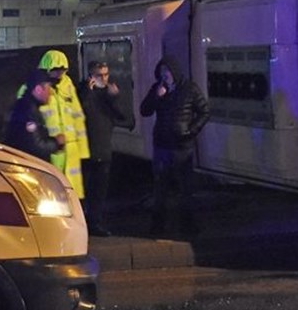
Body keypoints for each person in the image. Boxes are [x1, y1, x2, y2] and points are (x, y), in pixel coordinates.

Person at [140, 55, 210, 238]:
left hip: (182, 146)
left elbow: (205, 111)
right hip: (162, 144)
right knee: (160, 188)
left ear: (174, 72)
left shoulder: (189, 89)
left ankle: (188, 226)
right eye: (162, 72)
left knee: (185, 189)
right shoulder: (158, 89)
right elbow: (145, 110)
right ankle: (158, 227)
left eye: (168, 71)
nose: (165, 75)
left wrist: (191, 130)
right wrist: (156, 96)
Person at [77, 61, 127, 236]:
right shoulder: (83, 92)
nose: (104, 78)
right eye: (100, 75)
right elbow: (79, 113)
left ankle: (96, 223)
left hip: (103, 149)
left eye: (106, 74)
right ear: (91, 76)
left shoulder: (108, 93)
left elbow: (121, 116)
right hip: (85, 150)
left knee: (99, 191)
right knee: (84, 190)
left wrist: (114, 97)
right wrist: (88, 93)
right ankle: (83, 224)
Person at [32, 49, 90, 198]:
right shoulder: (36, 87)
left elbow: (78, 117)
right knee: (51, 194)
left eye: (63, 70)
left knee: (72, 195)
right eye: (56, 70)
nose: (60, 73)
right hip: (50, 149)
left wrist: (83, 150)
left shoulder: (68, 86)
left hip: (71, 150)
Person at [4, 69, 65, 161]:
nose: (51, 92)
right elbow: (34, 146)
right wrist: (56, 143)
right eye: (49, 88)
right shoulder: (27, 111)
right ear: (38, 90)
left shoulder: (28, 107)